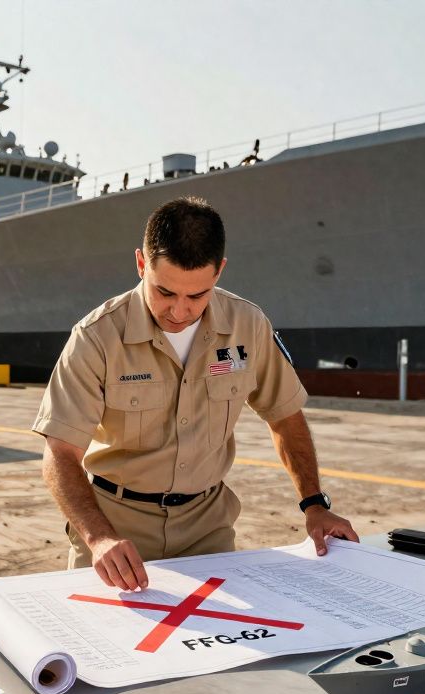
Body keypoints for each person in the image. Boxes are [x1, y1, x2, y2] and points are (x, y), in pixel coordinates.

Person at [33, 196, 357, 592]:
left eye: (197, 296)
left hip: (208, 528)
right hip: (118, 528)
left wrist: (315, 506)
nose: (180, 311)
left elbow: (285, 417)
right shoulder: (96, 337)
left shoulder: (247, 325)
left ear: (219, 271)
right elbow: (60, 453)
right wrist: (98, 537)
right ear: (141, 264)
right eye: (165, 292)